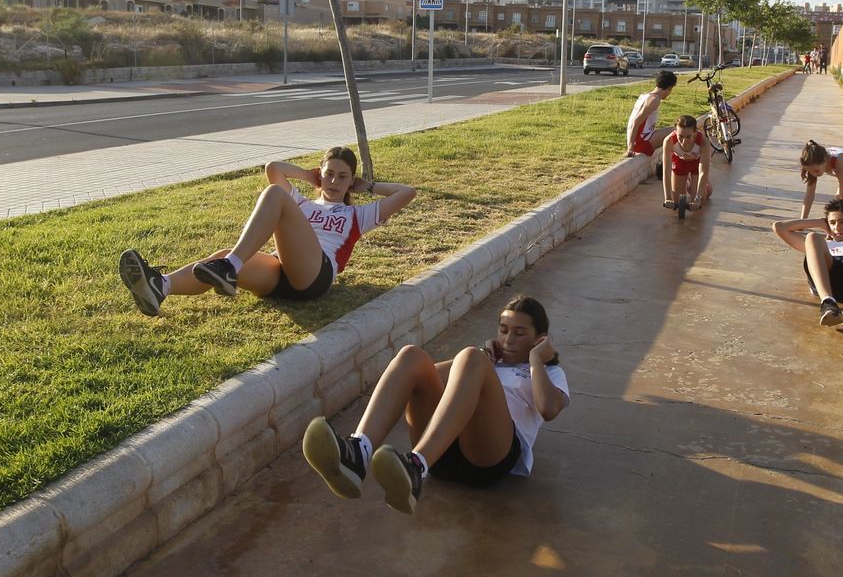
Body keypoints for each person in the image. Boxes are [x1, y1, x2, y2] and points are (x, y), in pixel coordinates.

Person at [302, 295, 569, 515]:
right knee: (412, 356)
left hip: (490, 458)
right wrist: (484, 357)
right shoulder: (485, 361)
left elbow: (548, 409)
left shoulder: (548, 373)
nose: (509, 339)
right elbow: (426, 377)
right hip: (444, 456)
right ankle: (358, 451)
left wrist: (536, 359)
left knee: (471, 357)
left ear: (540, 338)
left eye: (520, 333)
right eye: (503, 330)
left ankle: (416, 467)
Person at [118, 146, 415, 313]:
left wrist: (368, 186)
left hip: (314, 276)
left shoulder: (357, 215)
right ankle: (161, 287)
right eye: (328, 174)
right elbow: (274, 168)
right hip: (280, 274)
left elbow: (407, 192)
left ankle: (230, 267)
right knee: (224, 252)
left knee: (275, 195)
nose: (334, 181)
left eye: (342, 177)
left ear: (351, 181)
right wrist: (308, 177)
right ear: (320, 175)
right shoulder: (302, 202)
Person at [772, 198, 843, 339]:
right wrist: (820, 222)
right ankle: (828, 303)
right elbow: (779, 227)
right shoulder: (823, 245)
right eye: (832, 223)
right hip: (826, 274)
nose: (837, 228)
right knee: (812, 237)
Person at [661, 114, 713, 210]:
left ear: (695, 133)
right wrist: (667, 197)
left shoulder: (703, 142)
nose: (684, 142)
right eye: (680, 136)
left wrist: (698, 198)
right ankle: (688, 182)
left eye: (688, 137)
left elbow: (703, 172)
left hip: (697, 164)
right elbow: (666, 170)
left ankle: (705, 187)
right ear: (675, 132)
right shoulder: (668, 141)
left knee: (701, 199)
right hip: (680, 163)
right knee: (676, 200)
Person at [626, 70, 679, 161]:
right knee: (679, 132)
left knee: (678, 129)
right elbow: (636, 122)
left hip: (640, 138)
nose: (670, 93)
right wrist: (630, 147)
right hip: (641, 142)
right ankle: (677, 164)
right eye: (671, 90)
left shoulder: (645, 95)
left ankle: (668, 162)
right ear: (669, 88)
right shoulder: (654, 100)